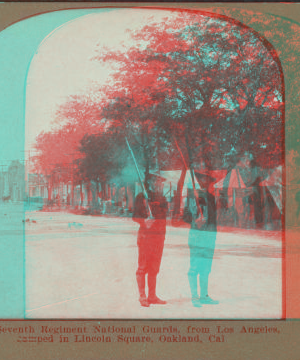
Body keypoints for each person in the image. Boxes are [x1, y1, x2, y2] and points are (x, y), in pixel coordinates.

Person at [132, 172, 168, 307]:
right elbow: (134, 216)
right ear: (150, 183)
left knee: (154, 268)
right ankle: (142, 296)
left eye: (160, 182)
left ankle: (152, 296)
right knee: (142, 267)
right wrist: (144, 221)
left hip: (158, 238)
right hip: (146, 237)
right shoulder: (141, 197)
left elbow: (164, 216)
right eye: (155, 181)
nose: (158, 184)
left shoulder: (163, 198)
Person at [187, 173, 219, 308]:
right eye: (202, 180)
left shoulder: (211, 198)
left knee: (206, 267)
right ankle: (194, 296)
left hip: (210, 236)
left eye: (208, 180)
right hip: (197, 235)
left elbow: (213, 219)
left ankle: (204, 295)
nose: (205, 182)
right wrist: (195, 221)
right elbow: (184, 216)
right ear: (198, 181)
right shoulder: (192, 197)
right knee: (195, 267)